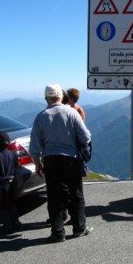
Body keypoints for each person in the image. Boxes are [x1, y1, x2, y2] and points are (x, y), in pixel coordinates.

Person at [30, 84, 93, 242]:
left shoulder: (41, 116)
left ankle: (58, 232)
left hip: (50, 160)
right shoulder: (72, 113)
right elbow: (85, 137)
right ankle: (79, 228)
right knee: (76, 193)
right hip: (70, 159)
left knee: (54, 196)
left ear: (46, 98)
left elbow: (35, 145)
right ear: (62, 97)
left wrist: (37, 164)